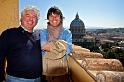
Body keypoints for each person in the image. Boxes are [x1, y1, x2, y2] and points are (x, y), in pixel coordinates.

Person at [0, 6, 42, 82]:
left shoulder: (39, 35)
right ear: (21, 18)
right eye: (27, 15)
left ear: (37, 21)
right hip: (16, 79)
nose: (31, 19)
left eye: (34, 16)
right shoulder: (9, 33)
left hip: (38, 78)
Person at [40, 6, 72, 81]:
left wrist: (50, 45)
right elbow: (43, 47)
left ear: (61, 18)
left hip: (62, 72)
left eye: (57, 16)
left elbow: (68, 50)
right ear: (48, 18)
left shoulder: (67, 32)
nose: (54, 18)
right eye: (51, 16)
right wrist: (61, 45)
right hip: (46, 71)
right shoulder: (43, 32)